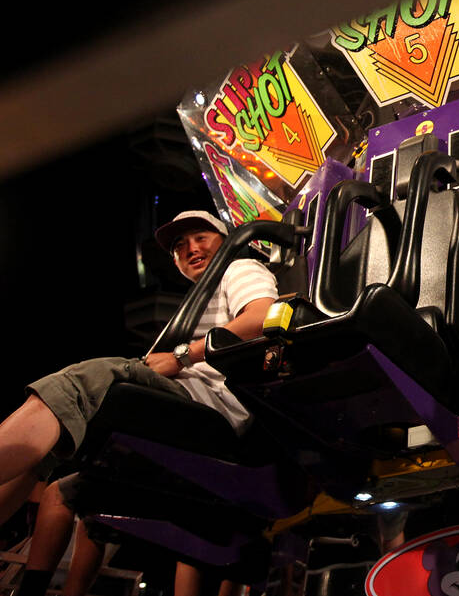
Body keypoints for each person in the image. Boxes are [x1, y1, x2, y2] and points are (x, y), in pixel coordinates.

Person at [2, 210, 276, 596]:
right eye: (180, 246)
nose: (190, 249)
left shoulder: (238, 268)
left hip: (210, 407)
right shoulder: (200, 299)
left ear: (227, 239)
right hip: (192, 407)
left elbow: (263, 315)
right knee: (56, 471)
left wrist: (182, 356)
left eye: (200, 237)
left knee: (83, 382)